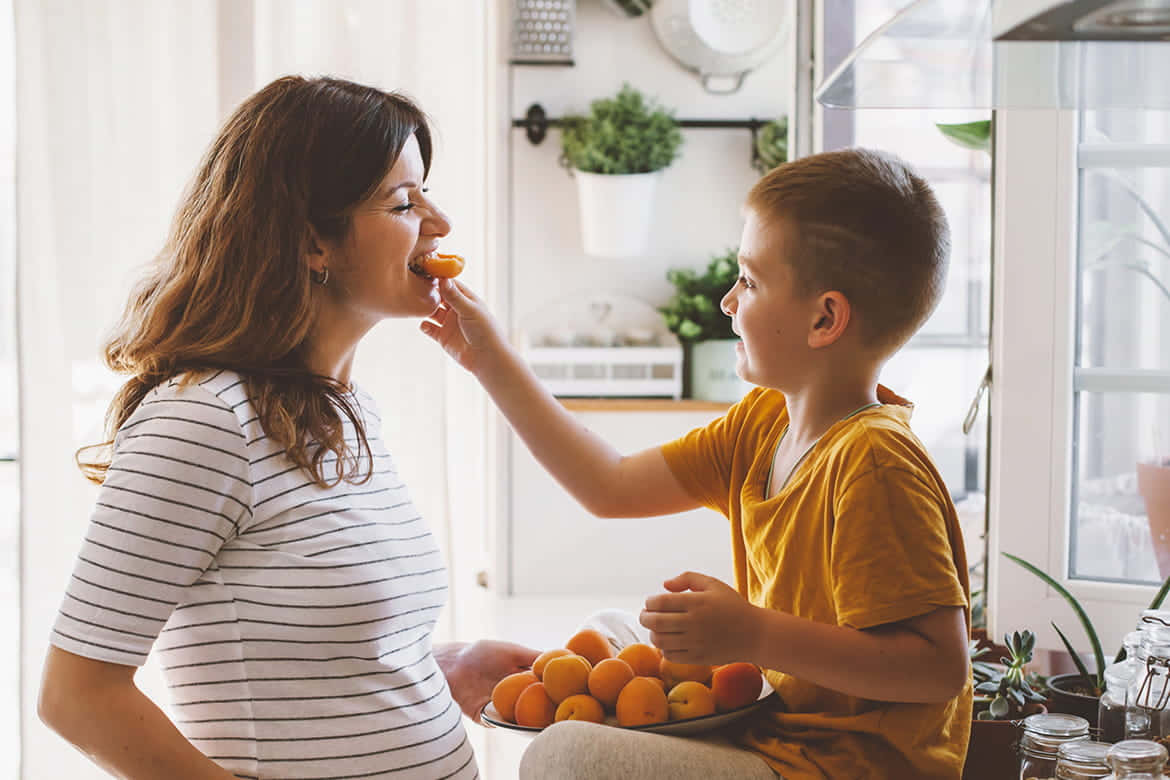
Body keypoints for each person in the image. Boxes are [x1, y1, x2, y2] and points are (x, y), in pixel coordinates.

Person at [38, 75, 538, 780]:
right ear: (314, 244)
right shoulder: (203, 419)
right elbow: (77, 697)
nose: (440, 222)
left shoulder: (345, 410)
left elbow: (302, 651)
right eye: (403, 202)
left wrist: (437, 667)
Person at [423, 148, 972, 778]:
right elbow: (609, 486)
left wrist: (755, 635)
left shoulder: (873, 460)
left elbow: (936, 667)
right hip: (773, 734)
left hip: (838, 770)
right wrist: (487, 357)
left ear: (825, 317)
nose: (728, 302)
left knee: (564, 757)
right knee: (611, 635)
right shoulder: (764, 423)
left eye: (751, 280)